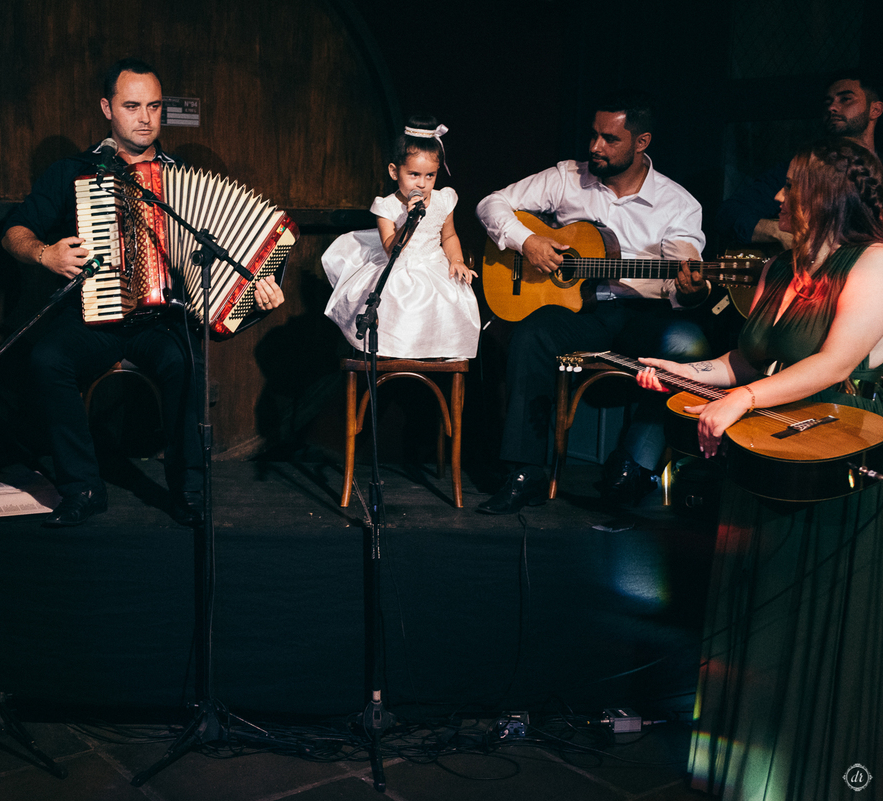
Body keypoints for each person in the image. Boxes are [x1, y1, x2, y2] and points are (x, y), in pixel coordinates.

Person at [636, 138, 883, 800]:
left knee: (815, 621)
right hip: (766, 456)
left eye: (791, 187)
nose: (776, 197)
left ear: (828, 197)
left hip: (835, 467)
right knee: (759, 625)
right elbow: (748, 364)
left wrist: (742, 399)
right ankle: (753, 776)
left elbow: (832, 364)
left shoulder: (874, 264)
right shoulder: (778, 269)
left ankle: (820, 776)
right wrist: (683, 372)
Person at [1, 58, 284, 528]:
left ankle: (189, 492)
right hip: (93, 316)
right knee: (48, 360)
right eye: (132, 105)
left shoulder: (184, 181)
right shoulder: (71, 171)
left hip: (161, 319)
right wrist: (44, 253)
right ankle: (83, 488)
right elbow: (14, 231)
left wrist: (258, 292)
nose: (145, 117)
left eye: (154, 106)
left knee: (187, 364)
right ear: (106, 108)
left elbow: (227, 256)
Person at [475, 91, 711, 514]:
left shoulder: (678, 203)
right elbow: (491, 203)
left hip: (643, 314)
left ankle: (633, 465)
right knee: (532, 333)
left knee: (687, 344)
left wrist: (692, 287)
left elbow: (684, 261)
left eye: (609, 139)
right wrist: (527, 241)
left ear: (642, 143)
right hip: (580, 310)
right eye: (594, 135)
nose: (594, 147)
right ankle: (526, 471)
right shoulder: (568, 177)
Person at [322, 116, 480, 359]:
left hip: (432, 264)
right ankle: (392, 353)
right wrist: (409, 220)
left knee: (445, 296)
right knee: (396, 295)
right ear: (395, 172)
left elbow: (449, 236)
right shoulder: (387, 207)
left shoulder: (443, 200)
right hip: (398, 266)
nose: (423, 183)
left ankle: (434, 349)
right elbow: (389, 249)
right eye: (414, 174)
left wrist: (457, 260)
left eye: (431, 176)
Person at [714, 72, 881, 252]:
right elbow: (728, 215)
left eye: (846, 99)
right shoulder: (799, 169)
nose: (832, 107)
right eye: (828, 102)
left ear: (875, 110)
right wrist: (781, 231)